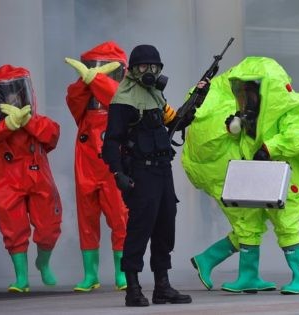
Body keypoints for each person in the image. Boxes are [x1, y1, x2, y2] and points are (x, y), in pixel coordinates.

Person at [183, 56, 299, 294]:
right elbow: (243, 143)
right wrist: (231, 129)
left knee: (287, 226)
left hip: (285, 179)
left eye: (248, 91)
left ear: (264, 90)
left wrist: (270, 148)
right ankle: (247, 276)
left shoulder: (288, 111)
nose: (244, 98)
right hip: (258, 177)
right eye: (241, 92)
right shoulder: (250, 117)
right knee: (249, 221)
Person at [102, 44, 202, 306]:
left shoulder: (157, 96)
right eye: (144, 67)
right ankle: (133, 288)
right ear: (132, 70)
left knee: (165, 225)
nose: (150, 71)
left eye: (154, 67)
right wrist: (117, 173)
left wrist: (197, 100)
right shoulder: (123, 101)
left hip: (162, 170)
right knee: (139, 228)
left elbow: (175, 122)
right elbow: (110, 142)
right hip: (140, 171)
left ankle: (162, 286)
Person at [0, 64, 63, 292]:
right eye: (6, 95)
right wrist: (7, 125)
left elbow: (52, 136)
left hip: (38, 179)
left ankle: (43, 262)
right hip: (7, 182)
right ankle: (22, 277)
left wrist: (28, 122)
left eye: (16, 94)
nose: (13, 100)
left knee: (48, 227)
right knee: (13, 229)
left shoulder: (39, 121)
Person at [64, 41, 129, 292]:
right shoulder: (83, 94)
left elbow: (118, 100)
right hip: (87, 164)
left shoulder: (124, 94)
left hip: (113, 164)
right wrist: (86, 79)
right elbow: (73, 100)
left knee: (120, 217)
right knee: (87, 219)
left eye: (103, 68)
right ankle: (90, 274)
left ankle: (122, 272)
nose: (97, 72)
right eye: (93, 67)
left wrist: (96, 79)